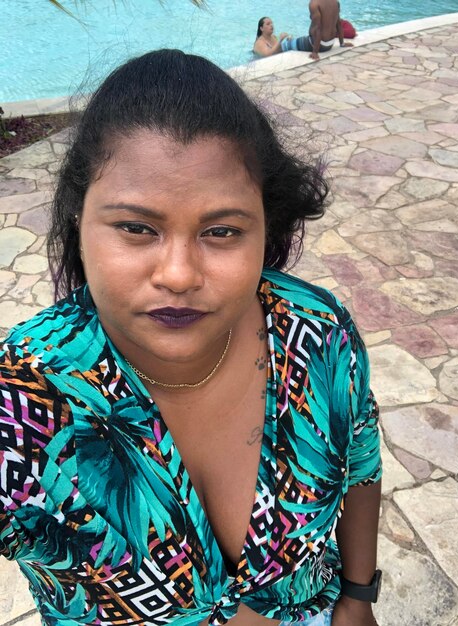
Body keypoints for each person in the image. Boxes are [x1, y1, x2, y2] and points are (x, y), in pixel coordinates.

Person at [0, 50, 382, 626]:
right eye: (136, 227)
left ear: (265, 228)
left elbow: (361, 463)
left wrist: (357, 596)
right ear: (78, 220)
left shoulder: (318, 333)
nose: (178, 274)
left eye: (221, 231)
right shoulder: (21, 398)